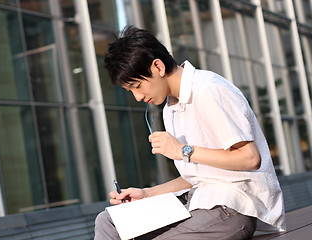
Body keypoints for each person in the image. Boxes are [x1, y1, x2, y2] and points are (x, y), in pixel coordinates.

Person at [94, 26, 286, 240]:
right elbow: (198, 175)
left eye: (138, 86)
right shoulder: (170, 109)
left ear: (158, 66)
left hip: (233, 208)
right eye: (131, 91)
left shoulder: (208, 89)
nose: (137, 97)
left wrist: (184, 150)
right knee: (109, 221)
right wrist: (146, 194)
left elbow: (250, 158)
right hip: (198, 201)